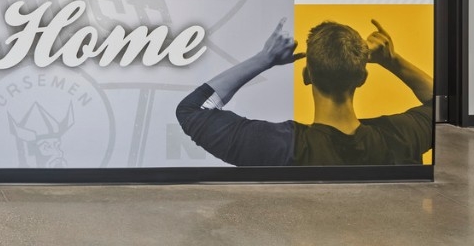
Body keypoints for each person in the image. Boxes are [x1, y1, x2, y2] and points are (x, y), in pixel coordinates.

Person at [176, 18, 432, 167]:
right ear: (363, 78)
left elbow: (193, 110)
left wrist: (264, 59)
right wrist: (393, 61)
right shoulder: (400, 137)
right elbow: (442, 106)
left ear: (306, 76)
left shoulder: (280, 146)